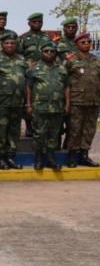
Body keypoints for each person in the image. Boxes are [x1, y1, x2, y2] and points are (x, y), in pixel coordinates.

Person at [25, 42, 70, 170]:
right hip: (39, 107)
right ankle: (39, 158)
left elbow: (67, 87)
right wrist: (28, 104)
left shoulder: (61, 69)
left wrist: (67, 104)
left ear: (55, 54)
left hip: (57, 107)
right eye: (46, 51)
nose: (49, 53)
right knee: (39, 133)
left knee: (54, 133)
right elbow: (28, 87)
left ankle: (51, 158)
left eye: (52, 51)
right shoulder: (33, 69)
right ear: (41, 53)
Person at [0, 34, 28, 169]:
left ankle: (11, 156)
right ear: (2, 45)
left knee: (14, 130)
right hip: (2, 101)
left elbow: (26, 81)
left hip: (18, 101)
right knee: (1, 130)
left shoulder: (21, 60)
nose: (10, 46)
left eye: (12, 43)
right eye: (7, 43)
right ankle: (0, 158)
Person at [64, 33, 100, 167]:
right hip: (76, 100)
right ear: (77, 44)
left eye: (88, 42)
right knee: (75, 128)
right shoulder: (71, 60)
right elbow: (65, 82)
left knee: (89, 129)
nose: (86, 44)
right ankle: (72, 156)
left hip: (93, 100)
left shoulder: (96, 60)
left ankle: (84, 155)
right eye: (83, 42)